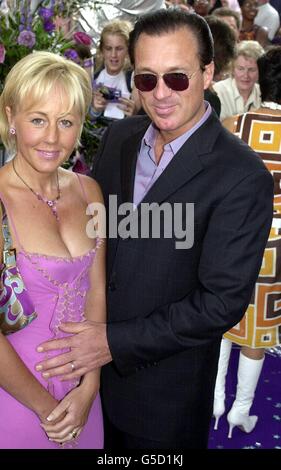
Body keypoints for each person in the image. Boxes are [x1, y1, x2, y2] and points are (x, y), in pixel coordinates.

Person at [35, 10, 273, 449]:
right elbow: (97, 241)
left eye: (177, 78)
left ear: (207, 73)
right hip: (78, 380)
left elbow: (219, 304)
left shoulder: (242, 176)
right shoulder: (119, 139)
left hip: (162, 400)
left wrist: (111, 342)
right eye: (146, 79)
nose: (160, 94)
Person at [0, 51, 105, 448]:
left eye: (66, 122)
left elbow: (97, 290)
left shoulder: (90, 191)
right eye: (37, 119)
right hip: (16, 395)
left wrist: (90, 385)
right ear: (12, 117)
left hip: (83, 393)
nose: (51, 138)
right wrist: (48, 410)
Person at [213, 45, 281, 438]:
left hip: (233, 238)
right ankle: (240, 411)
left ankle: (215, 400)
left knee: (220, 320)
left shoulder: (232, 125)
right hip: (275, 251)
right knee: (257, 332)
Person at [91, 19, 136, 124]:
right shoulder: (94, 74)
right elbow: (85, 118)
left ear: (128, 50)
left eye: (119, 49)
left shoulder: (134, 77)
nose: (113, 55)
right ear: (102, 50)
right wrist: (95, 110)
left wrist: (133, 115)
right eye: (108, 48)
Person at [213, 39, 264, 120]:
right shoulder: (217, 92)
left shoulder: (264, 94)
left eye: (251, 70)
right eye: (241, 69)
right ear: (233, 69)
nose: (246, 75)